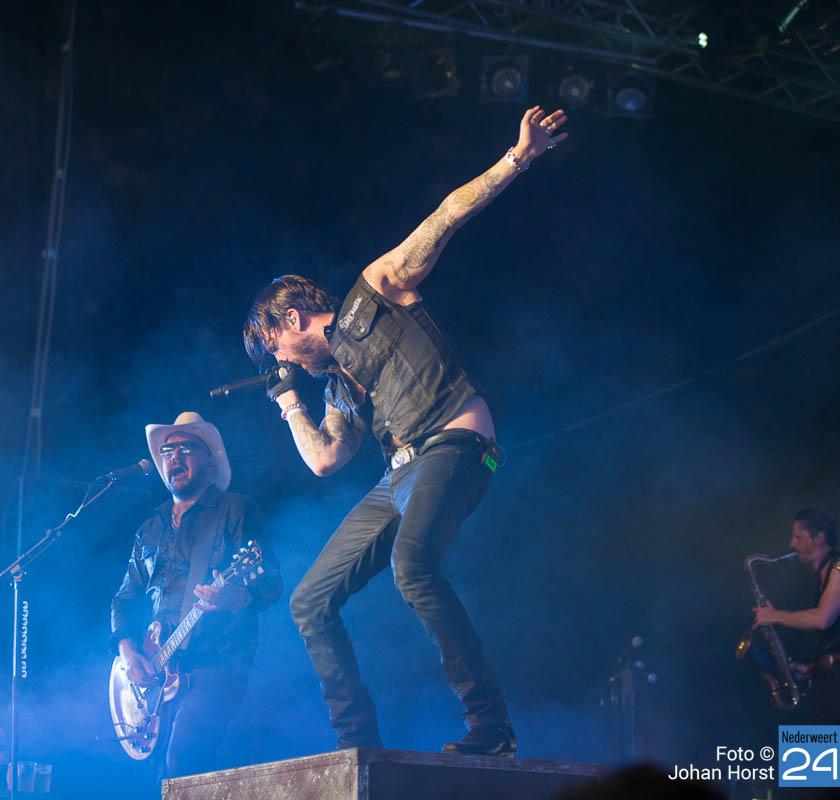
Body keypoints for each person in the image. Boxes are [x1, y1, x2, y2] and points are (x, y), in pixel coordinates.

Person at [240, 105, 569, 757]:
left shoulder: (376, 290)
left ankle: (490, 726)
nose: (281, 361)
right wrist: (287, 404)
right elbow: (325, 460)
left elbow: (444, 218)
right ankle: (355, 746)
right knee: (309, 603)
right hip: (400, 475)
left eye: (274, 345)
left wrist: (517, 157)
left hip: (455, 442)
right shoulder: (337, 384)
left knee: (412, 567)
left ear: (294, 317)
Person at [110, 411, 282, 779]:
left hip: (217, 663)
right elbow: (124, 599)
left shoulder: (236, 510)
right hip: (155, 673)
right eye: (167, 451)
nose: (174, 457)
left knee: (183, 761)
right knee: (150, 779)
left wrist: (236, 597)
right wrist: (128, 653)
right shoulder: (149, 528)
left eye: (186, 448)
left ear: (210, 460)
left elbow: (271, 581)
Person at [754, 508, 840, 773]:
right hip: (828, 679)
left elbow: (823, 619)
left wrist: (774, 616)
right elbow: (833, 638)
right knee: (806, 775)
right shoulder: (821, 575)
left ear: (819, 537)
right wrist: (812, 668)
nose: (792, 544)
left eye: (798, 536)